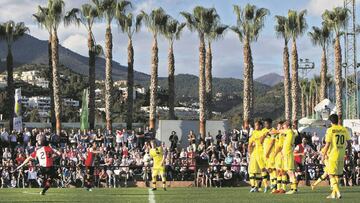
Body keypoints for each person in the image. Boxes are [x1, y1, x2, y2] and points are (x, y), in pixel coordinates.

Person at [321, 114, 351, 199]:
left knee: (331, 175)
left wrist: (323, 155)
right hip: (342, 155)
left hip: (333, 155)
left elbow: (327, 144)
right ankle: (333, 194)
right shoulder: (344, 129)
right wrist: (348, 153)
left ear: (330, 121)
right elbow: (349, 143)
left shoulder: (330, 130)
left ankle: (338, 193)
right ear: (338, 120)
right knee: (337, 175)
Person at [248, 120, 266, 193]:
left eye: (257, 125)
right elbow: (250, 144)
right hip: (254, 154)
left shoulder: (263, 132)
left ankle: (257, 186)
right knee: (252, 171)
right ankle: (253, 186)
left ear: (260, 126)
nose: (255, 127)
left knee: (259, 171)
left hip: (261, 154)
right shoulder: (253, 133)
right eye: (255, 125)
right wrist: (250, 153)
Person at [281, 121, 298, 194]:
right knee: (289, 171)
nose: (283, 128)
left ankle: (294, 189)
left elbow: (281, 131)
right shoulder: (288, 133)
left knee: (290, 172)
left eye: (284, 127)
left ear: (287, 127)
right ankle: (293, 188)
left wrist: (275, 131)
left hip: (288, 154)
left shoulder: (290, 132)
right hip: (286, 154)